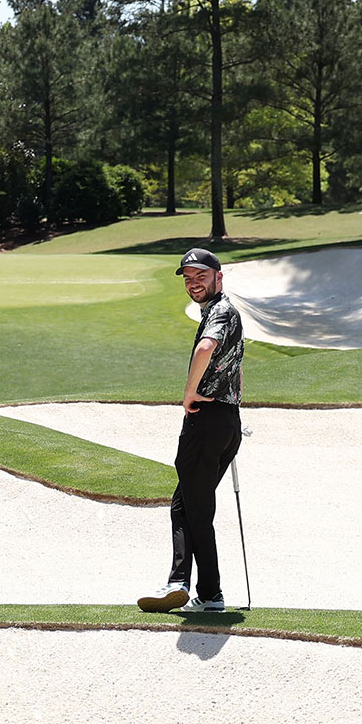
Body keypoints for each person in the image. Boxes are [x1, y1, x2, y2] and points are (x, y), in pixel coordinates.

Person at [138, 247, 244, 613]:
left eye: (201, 276)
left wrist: (189, 393)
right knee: (187, 505)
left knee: (192, 509)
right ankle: (200, 590)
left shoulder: (220, 312)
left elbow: (206, 348)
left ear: (218, 276)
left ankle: (193, 588)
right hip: (226, 422)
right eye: (188, 278)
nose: (194, 283)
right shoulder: (228, 314)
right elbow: (235, 366)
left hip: (206, 420)